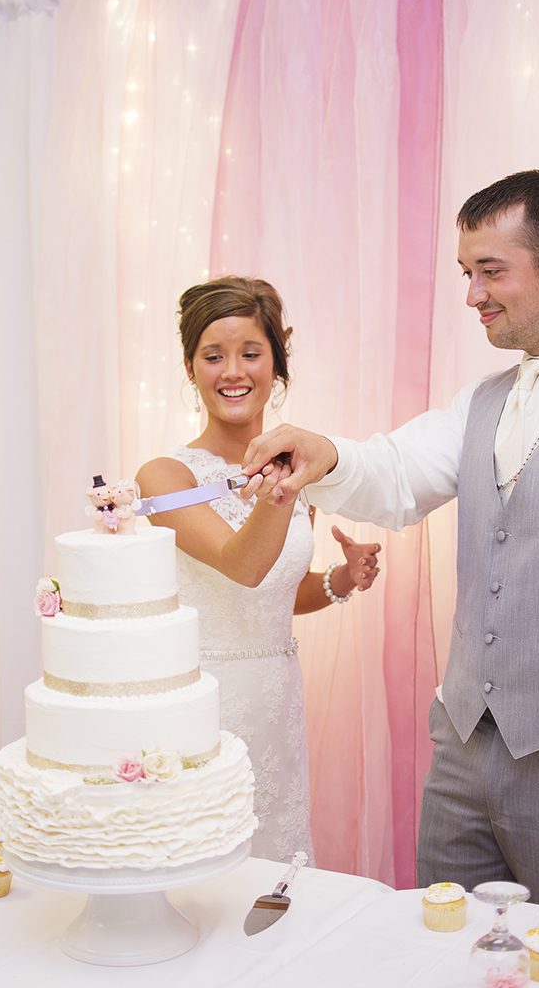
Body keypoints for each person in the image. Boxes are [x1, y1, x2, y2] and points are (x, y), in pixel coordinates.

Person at [238, 171, 539, 917]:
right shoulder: (484, 398)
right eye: (466, 273)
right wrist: (320, 453)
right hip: (462, 746)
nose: (472, 295)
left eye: (491, 271)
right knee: (441, 939)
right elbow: (394, 473)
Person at [136, 276, 381, 862]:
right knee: (203, 860)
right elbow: (238, 567)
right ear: (191, 367)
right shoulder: (165, 476)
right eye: (213, 356)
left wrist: (342, 578)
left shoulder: (302, 475)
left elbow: (277, 591)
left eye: (251, 352)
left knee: (273, 860)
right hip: (201, 701)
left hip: (276, 700)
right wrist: (284, 486)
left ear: (277, 362)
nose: (233, 371)